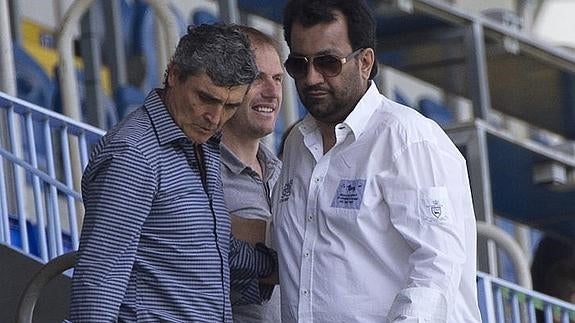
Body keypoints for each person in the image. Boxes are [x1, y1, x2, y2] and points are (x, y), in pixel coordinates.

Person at [272, 0, 482, 322]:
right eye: (300, 65)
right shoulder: (297, 144)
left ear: (365, 62)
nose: (312, 78)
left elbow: (437, 266)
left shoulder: (407, 138)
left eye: (328, 63)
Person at [69, 24, 277, 322]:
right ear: (174, 75)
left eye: (230, 106)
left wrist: (272, 267)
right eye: (206, 98)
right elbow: (99, 281)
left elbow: (210, 247)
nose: (215, 118)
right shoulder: (135, 155)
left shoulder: (200, 143)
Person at [221, 26, 284, 323]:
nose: (272, 92)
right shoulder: (196, 172)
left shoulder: (288, 173)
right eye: (258, 78)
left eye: (278, 79)